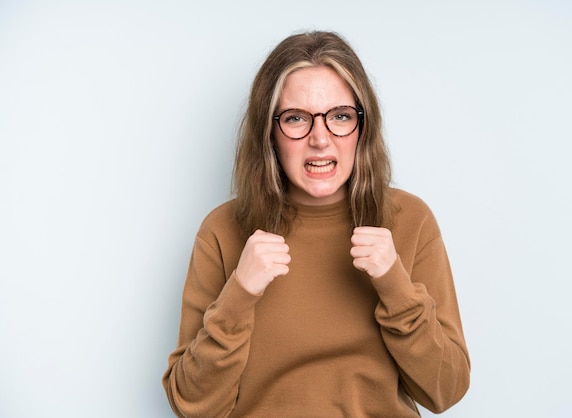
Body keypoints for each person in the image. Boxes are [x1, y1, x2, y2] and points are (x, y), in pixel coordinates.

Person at [162, 30, 470, 417]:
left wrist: (396, 286)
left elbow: (446, 390)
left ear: (362, 126)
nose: (320, 139)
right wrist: (239, 294)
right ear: (269, 134)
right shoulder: (222, 231)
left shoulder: (410, 220)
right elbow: (192, 405)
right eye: (296, 119)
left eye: (340, 116)